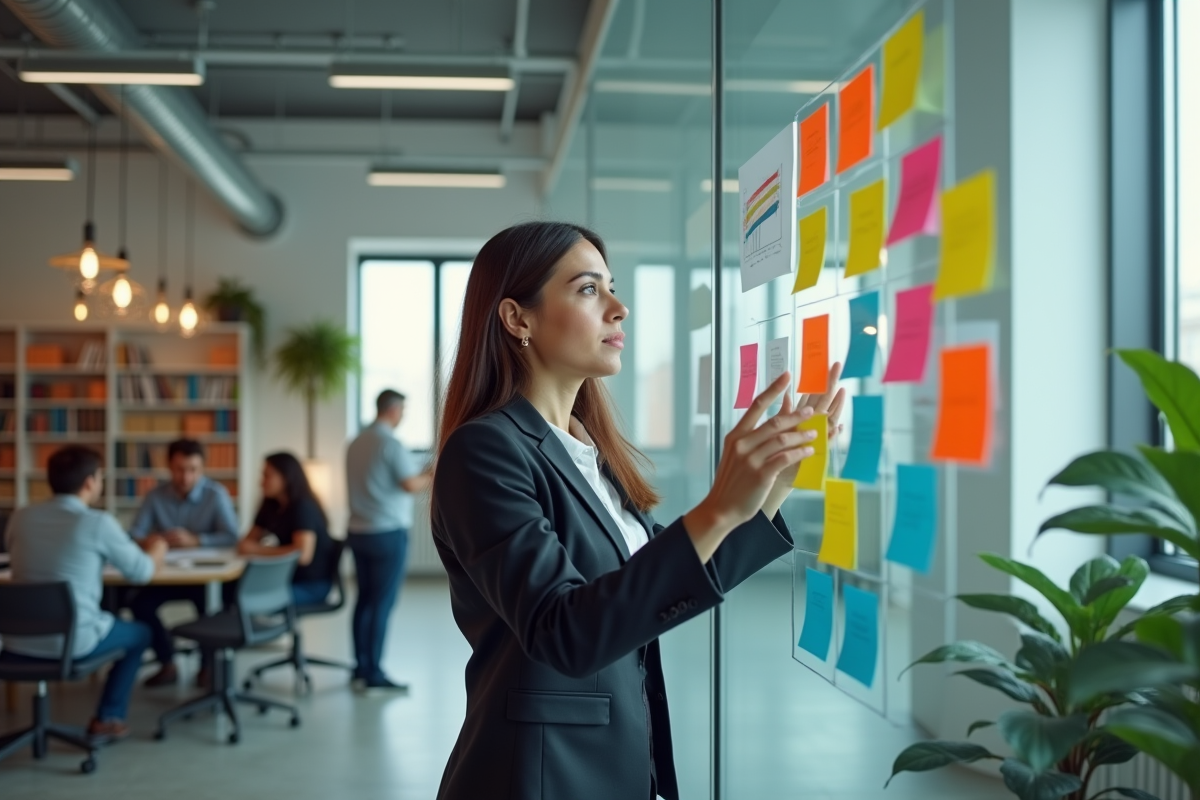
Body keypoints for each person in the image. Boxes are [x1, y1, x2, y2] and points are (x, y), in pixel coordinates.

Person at [431, 222, 845, 800]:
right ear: (517, 319)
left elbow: (657, 585)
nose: (619, 308)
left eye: (613, 287)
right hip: (542, 774)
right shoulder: (484, 451)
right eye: (587, 289)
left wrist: (773, 483)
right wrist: (720, 503)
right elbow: (564, 633)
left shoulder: (585, 450)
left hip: (620, 755)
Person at [2, 445, 167, 741]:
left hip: (16, 641)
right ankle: (108, 717)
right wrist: (158, 548)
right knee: (141, 633)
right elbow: (141, 572)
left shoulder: (20, 518)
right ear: (90, 482)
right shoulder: (97, 522)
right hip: (72, 643)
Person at [127, 438, 240, 687]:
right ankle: (167, 661)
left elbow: (232, 537)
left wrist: (197, 540)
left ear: (202, 469)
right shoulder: (155, 496)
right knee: (139, 604)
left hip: (203, 578)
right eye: (179, 470)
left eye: (193, 470)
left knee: (210, 608)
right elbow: (134, 535)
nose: (186, 477)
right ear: (169, 467)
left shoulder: (215, 494)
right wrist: (153, 540)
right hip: (165, 576)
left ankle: (207, 667)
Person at [345, 389, 432, 693]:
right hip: (386, 534)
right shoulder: (390, 444)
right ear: (393, 410)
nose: (403, 416)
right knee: (381, 604)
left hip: (358, 531)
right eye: (403, 410)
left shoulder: (356, 442)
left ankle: (360, 666)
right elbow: (410, 485)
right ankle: (374, 673)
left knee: (364, 601)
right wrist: (433, 472)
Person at [238, 452, 337, 605]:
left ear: (286, 477)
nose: (261, 482)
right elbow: (247, 543)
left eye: (267, 476)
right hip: (284, 579)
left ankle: (251, 628)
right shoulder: (271, 505)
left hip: (311, 585)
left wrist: (257, 550)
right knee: (232, 590)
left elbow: (303, 555)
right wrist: (252, 547)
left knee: (245, 597)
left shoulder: (303, 507)